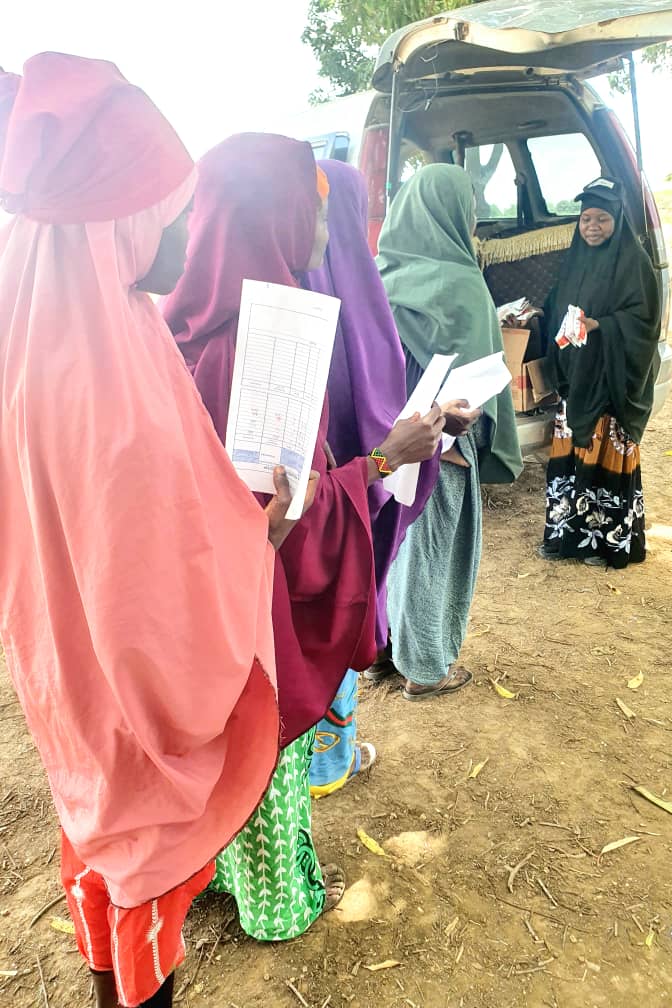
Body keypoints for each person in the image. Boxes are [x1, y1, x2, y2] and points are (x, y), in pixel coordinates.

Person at [0, 55, 292, 1008]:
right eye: (174, 208)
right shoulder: (112, 393)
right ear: (116, 219)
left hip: (66, 684)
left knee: (95, 840)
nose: (187, 231)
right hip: (130, 698)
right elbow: (158, 595)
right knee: (142, 871)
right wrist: (261, 536)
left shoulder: (52, 331)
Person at [162, 133, 443, 939]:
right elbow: (288, 523)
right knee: (263, 742)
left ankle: (210, 873)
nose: (325, 232)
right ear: (274, 216)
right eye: (314, 211)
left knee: (215, 742)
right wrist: (388, 459)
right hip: (254, 608)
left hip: (191, 603)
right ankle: (278, 903)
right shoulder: (267, 345)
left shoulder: (179, 326)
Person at [304, 160, 441, 796]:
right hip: (347, 500)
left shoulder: (270, 295)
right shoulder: (356, 297)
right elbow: (381, 419)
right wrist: (398, 454)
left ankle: (308, 765)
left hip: (319, 506)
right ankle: (328, 762)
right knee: (336, 608)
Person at [376, 164, 523, 700]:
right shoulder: (462, 285)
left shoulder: (377, 277)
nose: (475, 222)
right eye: (471, 210)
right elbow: (481, 382)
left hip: (387, 442)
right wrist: (467, 442)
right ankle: (425, 668)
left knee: (390, 545)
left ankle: (383, 651)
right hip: (444, 443)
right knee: (433, 552)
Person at [538, 176, 660, 569]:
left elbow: (644, 322)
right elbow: (559, 303)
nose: (592, 227)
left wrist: (602, 326)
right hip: (577, 378)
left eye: (602, 219)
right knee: (571, 453)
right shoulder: (576, 259)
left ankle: (607, 542)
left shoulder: (634, 263)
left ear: (617, 220)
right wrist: (539, 314)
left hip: (610, 380)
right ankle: (565, 535)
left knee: (604, 449)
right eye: (586, 219)